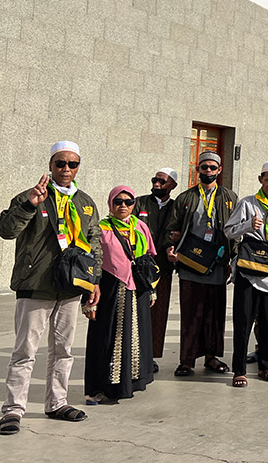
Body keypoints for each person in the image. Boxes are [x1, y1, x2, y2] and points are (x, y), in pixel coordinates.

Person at [0, 141, 101, 435]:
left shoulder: (86, 202)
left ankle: (57, 402)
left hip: (70, 287)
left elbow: (94, 245)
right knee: (25, 351)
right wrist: (29, 204)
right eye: (60, 164)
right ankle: (13, 410)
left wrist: (95, 281)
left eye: (72, 164)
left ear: (78, 167)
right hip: (36, 285)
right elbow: (6, 230)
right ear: (51, 166)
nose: (66, 169)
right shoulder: (34, 195)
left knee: (63, 350)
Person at [164, 151, 237, 377]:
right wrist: (170, 246)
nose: (208, 172)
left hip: (216, 264)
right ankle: (186, 360)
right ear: (198, 170)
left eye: (212, 168)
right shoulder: (185, 198)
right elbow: (171, 228)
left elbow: (235, 232)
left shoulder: (229, 197)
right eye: (204, 167)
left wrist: (233, 260)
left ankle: (211, 357)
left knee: (213, 315)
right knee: (191, 314)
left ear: (219, 170)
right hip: (189, 264)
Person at [84, 186, 156, 404]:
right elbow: (90, 261)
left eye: (128, 201)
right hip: (109, 290)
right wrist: (88, 297)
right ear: (110, 203)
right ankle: (102, 387)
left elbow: (150, 258)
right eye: (118, 201)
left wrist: (152, 288)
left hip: (138, 290)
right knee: (106, 338)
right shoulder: (100, 229)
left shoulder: (140, 226)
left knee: (136, 335)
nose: (123, 205)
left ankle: (132, 382)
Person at [223, 162, 268, 387]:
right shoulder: (247, 204)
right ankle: (239, 370)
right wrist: (248, 226)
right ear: (260, 179)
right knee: (243, 322)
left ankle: (266, 366)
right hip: (248, 272)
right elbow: (228, 231)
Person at [135, 167, 178, 372]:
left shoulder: (177, 206)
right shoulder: (139, 202)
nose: (157, 184)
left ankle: (150, 357)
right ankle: (133, 354)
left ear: (173, 186)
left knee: (157, 314)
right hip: (137, 267)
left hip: (163, 268)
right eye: (155, 180)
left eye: (162, 181)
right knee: (135, 312)